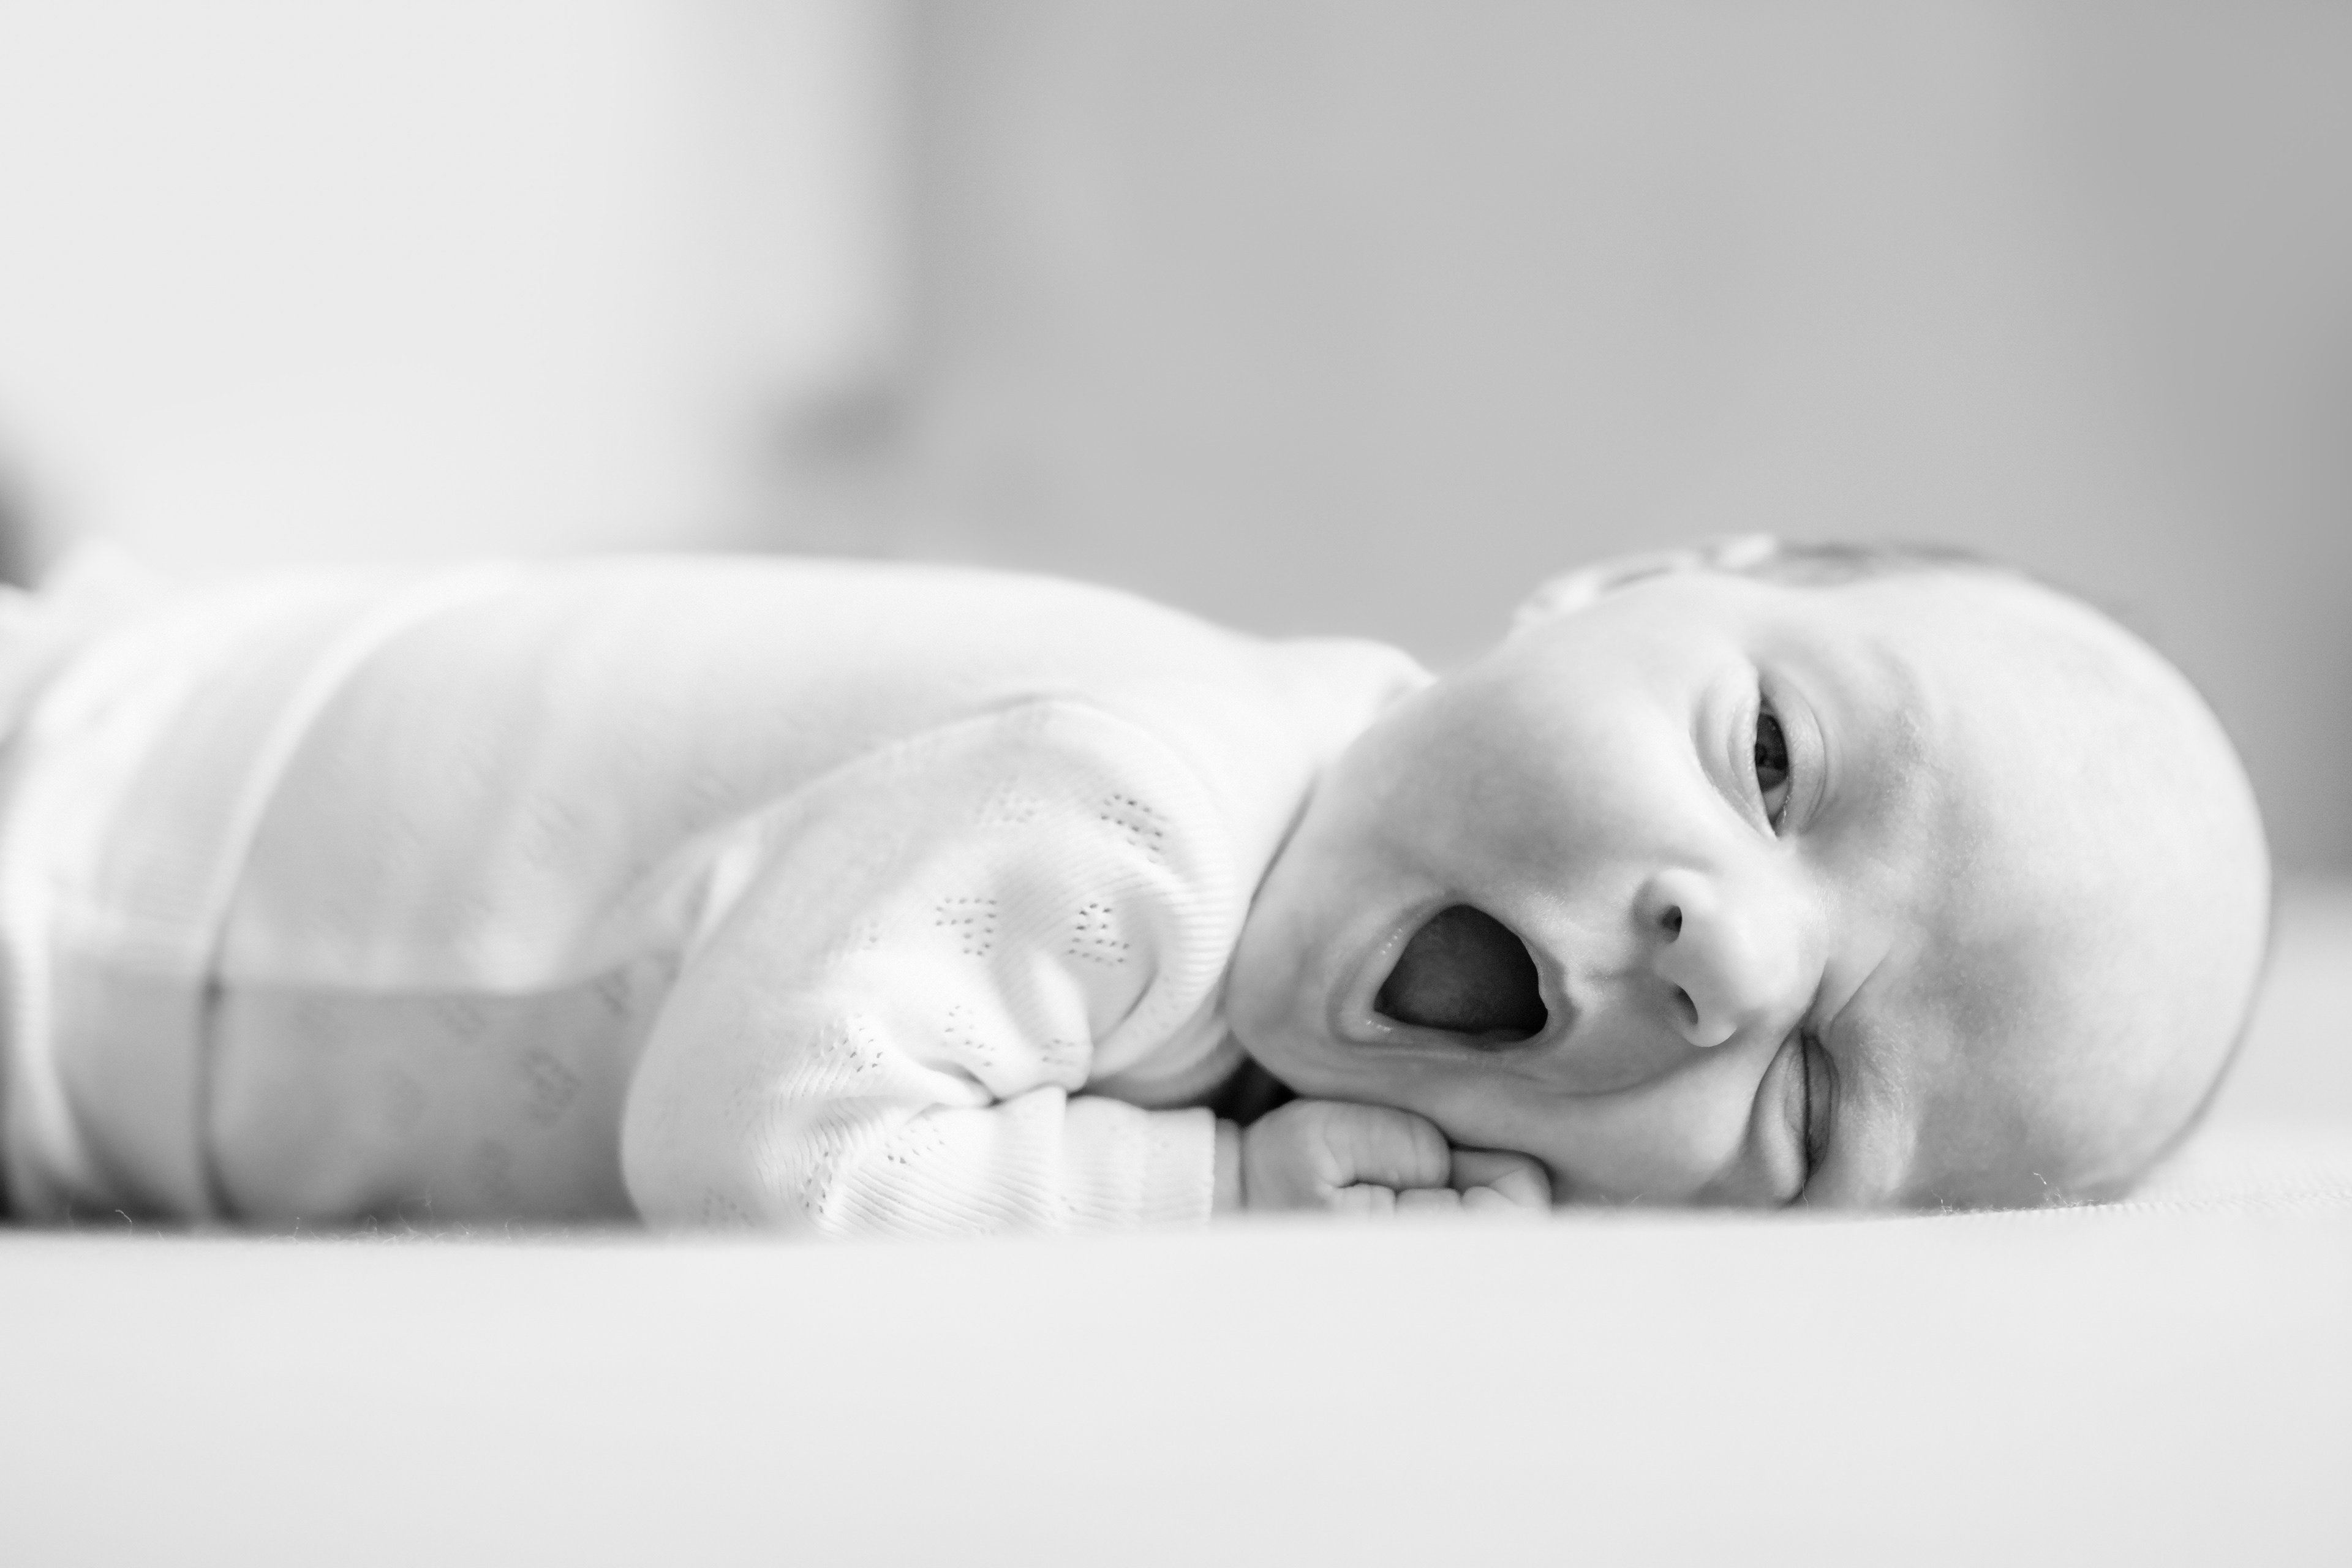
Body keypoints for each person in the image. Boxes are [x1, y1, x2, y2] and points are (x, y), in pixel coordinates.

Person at [0, 536, 2269, 1232]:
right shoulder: (1145, 807)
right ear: (1625, 585)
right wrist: (1216, 1203)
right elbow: (767, 1150)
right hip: (71, 837)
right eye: (1771, 763)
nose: (1730, 961)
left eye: (1811, 1102)